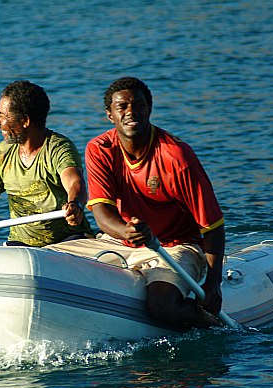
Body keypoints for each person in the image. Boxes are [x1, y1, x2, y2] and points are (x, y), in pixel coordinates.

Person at [51, 77, 224, 328]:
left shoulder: (176, 156)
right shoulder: (99, 149)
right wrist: (128, 232)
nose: (131, 112)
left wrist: (213, 283)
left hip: (173, 247)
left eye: (138, 106)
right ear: (110, 115)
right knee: (46, 260)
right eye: (122, 107)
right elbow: (102, 214)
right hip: (118, 241)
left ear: (149, 110)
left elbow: (213, 225)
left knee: (161, 307)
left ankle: (209, 322)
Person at [0, 80, 92, 247]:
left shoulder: (58, 147)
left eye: (3, 115)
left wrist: (75, 204)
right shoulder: (3, 152)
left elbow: (75, 182)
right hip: (20, 245)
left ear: (25, 120)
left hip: (67, 241)